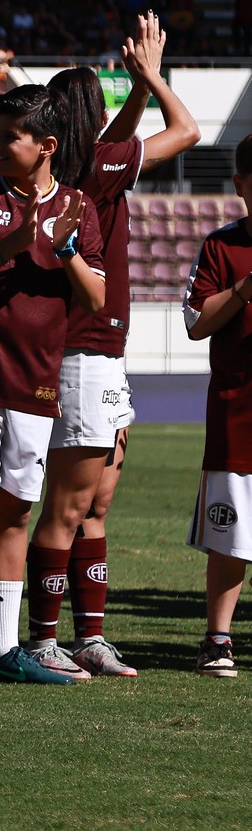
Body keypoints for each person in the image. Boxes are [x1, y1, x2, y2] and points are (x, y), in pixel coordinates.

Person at [25, 12, 201, 678]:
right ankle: (43, 641)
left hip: (97, 354)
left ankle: (89, 638)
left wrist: (137, 93)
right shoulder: (98, 167)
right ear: (87, 120)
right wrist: (152, 77)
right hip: (83, 356)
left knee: (93, 505)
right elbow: (188, 132)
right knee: (69, 506)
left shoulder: (87, 164)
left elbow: (118, 139)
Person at [0, 83, 104, 688]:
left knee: (16, 507)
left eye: (10, 137)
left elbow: (97, 298)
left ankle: (4, 647)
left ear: (46, 145)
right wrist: (11, 244)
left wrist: (66, 252)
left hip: (37, 379)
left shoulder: (79, 207)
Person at [183, 132, 252, 678]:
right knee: (231, 535)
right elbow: (196, 322)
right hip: (237, 412)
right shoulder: (221, 247)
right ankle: (218, 639)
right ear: (240, 185)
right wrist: (245, 288)